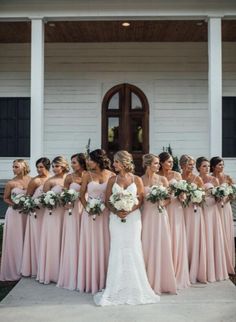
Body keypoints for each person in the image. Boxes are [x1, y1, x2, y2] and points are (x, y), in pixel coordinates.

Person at [94, 150, 160, 306]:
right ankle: (115, 288)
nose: (114, 164)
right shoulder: (112, 180)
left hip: (133, 219)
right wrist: (117, 211)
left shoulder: (137, 179)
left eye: (116, 162)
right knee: (117, 249)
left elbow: (141, 200)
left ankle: (135, 287)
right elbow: (107, 200)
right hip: (116, 219)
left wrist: (128, 210)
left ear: (124, 162)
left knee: (133, 248)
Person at [77, 149, 114, 294]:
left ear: (97, 160)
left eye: (90, 159)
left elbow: (113, 195)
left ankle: (106, 279)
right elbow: (81, 196)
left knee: (106, 244)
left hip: (106, 214)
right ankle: (90, 279)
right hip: (90, 216)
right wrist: (88, 208)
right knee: (91, 244)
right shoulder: (87, 175)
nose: (87, 162)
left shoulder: (111, 175)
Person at [141, 154, 177, 295]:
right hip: (147, 216)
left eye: (158, 163)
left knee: (161, 244)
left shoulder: (162, 179)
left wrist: (162, 202)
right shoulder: (140, 179)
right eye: (156, 163)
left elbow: (169, 199)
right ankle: (147, 279)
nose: (158, 166)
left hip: (161, 215)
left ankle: (162, 279)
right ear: (148, 165)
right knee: (147, 244)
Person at [158, 152, 190, 289]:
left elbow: (184, 193)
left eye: (172, 162)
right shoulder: (157, 177)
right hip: (163, 209)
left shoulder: (177, 175)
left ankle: (177, 273)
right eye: (169, 162)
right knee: (165, 240)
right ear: (161, 163)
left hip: (176, 209)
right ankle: (164, 273)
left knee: (176, 238)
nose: (171, 164)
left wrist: (182, 194)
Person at [37, 156, 69, 284]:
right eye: (54, 166)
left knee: (65, 240)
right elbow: (43, 200)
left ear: (64, 166)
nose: (55, 169)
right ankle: (51, 273)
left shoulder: (69, 178)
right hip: (52, 214)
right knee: (53, 240)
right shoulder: (49, 181)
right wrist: (49, 201)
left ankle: (65, 272)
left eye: (57, 166)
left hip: (66, 213)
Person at [57, 153, 87, 290]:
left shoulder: (90, 175)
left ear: (82, 163)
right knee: (73, 239)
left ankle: (86, 270)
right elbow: (64, 195)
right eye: (72, 162)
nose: (72, 165)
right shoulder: (69, 177)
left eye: (74, 162)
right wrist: (66, 202)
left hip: (87, 209)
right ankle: (72, 272)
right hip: (73, 210)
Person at [196, 157, 228, 282]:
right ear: (198, 167)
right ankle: (201, 267)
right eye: (204, 166)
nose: (207, 168)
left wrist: (219, 196)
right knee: (202, 238)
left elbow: (220, 197)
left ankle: (213, 269)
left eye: (208, 166)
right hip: (200, 210)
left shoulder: (213, 180)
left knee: (211, 236)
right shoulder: (196, 179)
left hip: (211, 211)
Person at [0, 159, 31, 281]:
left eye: (16, 166)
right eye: (13, 167)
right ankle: (14, 269)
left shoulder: (31, 180)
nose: (14, 169)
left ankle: (28, 267)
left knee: (27, 239)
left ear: (23, 167)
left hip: (27, 213)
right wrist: (15, 204)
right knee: (15, 240)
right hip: (14, 213)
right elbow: (5, 198)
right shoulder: (10, 183)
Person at [21, 157, 51, 277]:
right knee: (37, 238)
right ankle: (36, 267)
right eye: (37, 167)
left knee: (47, 239)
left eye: (41, 167)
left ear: (47, 167)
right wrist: (31, 205)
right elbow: (28, 197)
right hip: (35, 213)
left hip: (48, 212)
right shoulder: (34, 181)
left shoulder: (52, 179)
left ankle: (47, 266)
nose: (39, 169)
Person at [180, 155, 207, 284]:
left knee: (193, 238)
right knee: (182, 238)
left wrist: (196, 197)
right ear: (182, 165)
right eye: (189, 164)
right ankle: (182, 268)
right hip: (181, 211)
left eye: (192, 164)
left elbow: (203, 198)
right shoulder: (178, 177)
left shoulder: (198, 179)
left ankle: (194, 269)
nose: (191, 167)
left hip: (194, 211)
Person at [210, 156, 235, 274]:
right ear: (213, 166)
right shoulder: (210, 178)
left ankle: (226, 261)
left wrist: (226, 200)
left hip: (225, 208)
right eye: (219, 165)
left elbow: (233, 194)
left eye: (222, 164)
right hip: (214, 209)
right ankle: (216, 261)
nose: (222, 167)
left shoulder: (228, 178)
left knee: (225, 232)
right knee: (215, 233)